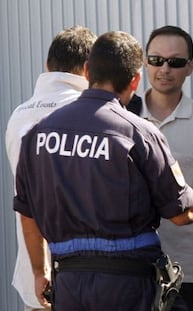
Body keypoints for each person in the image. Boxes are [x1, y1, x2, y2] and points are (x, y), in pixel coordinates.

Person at [13, 30, 193, 311]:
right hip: (127, 285)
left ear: (87, 71)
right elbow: (182, 213)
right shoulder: (138, 132)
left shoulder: (36, 134)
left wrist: (39, 271)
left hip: (69, 283)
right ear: (135, 78)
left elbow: (27, 213)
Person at [5, 25, 97, 311]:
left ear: (47, 65)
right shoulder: (90, 113)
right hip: (84, 275)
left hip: (35, 276)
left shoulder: (18, 115)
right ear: (88, 69)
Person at [136, 25, 193, 311]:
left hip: (188, 270)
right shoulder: (123, 116)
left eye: (176, 62)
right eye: (156, 60)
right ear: (144, 62)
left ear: (190, 67)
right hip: (131, 268)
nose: (164, 68)